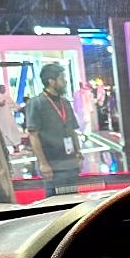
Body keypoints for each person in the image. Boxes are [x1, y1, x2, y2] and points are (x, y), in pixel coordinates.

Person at [26, 63, 82, 197]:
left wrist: (78, 153)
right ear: (51, 81)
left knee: (73, 200)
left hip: (71, 164)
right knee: (57, 203)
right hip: (53, 166)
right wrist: (43, 163)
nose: (65, 82)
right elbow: (33, 135)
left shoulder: (65, 103)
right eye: (62, 78)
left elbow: (73, 130)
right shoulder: (36, 103)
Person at [0, 84, 22, 150]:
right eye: (3, 88)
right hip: (1, 119)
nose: (4, 89)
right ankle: (5, 149)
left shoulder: (7, 97)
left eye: (4, 88)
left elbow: (13, 105)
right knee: (3, 133)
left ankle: (16, 147)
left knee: (13, 132)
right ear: (0, 89)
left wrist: (20, 108)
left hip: (9, 118)